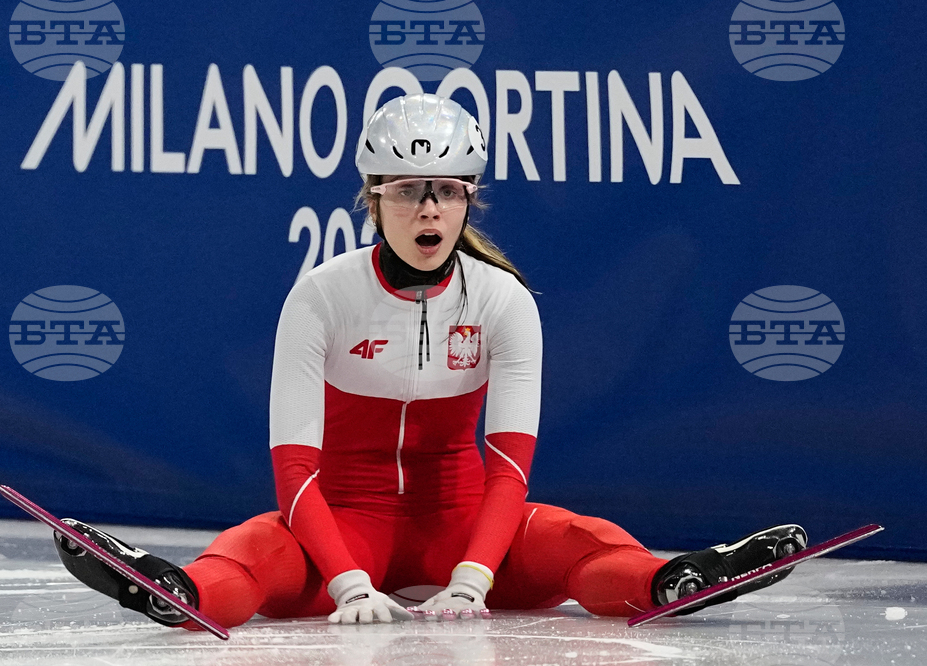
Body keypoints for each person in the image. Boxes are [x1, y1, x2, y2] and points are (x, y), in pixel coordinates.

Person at [53, 93, 807, 628]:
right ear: (374, 198)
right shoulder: (321, 295)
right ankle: (166, 588)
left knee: (581, 539)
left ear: (469, 199)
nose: (429, 211)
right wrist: (347, 583)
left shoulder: (504, 300)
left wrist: (476, 577)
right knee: (252, 555)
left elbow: (510, 465)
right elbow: (296, 471)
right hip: (343, 524)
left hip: (464, 524)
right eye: (410, 192)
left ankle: (679, 577)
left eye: (447, 192)